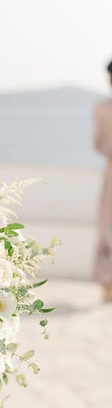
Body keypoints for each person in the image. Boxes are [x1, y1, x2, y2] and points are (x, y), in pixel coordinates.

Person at [94, 58, 112, 302]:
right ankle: (108, 283)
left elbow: (99, 144)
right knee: (106, 226)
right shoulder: (101, 109)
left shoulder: (101, 109)